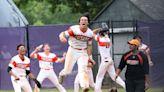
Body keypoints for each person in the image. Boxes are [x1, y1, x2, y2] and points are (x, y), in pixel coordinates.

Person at [58, 13, 95, 92]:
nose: (83, 21)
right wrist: (62, 37)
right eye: (82, 20)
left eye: (85, 20)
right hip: (72, 50)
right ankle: (62, 74)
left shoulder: (90, 33)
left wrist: (90, 58)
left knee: (83, 69)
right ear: (79, 22)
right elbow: (63, 33)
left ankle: (85, 86)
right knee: (68, 70)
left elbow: (89, 46)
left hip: (83, 52)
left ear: (88, 23)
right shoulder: (74, 29)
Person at [93, 27, 125, 92]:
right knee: (114, 77)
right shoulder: (108, 38)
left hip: (105, 60)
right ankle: (126, 86)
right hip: (110, 60)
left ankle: (97, 90)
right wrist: (102, 30)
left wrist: (98, 29)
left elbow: (92, 33)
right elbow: (105, 33)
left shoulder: (100, 39)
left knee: (99, 77)